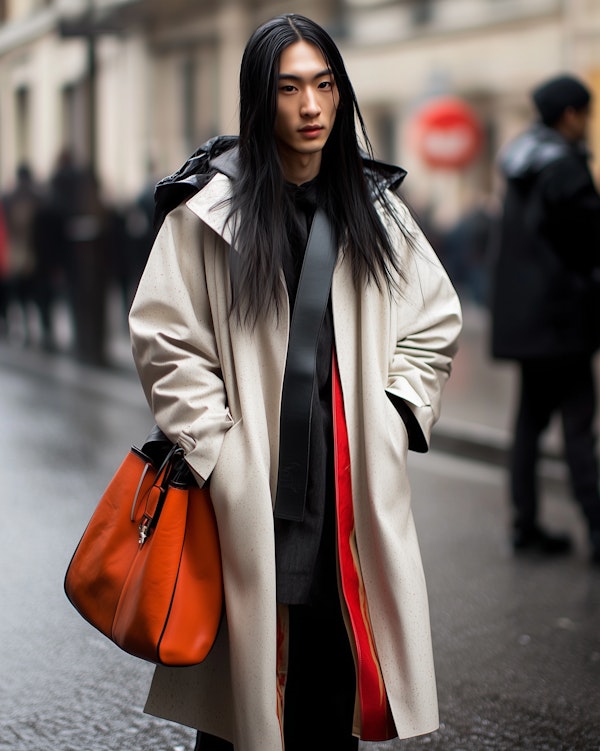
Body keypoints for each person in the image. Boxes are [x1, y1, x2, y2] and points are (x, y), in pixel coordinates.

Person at [129, 14, 462, 751]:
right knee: (241, 706)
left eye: (324, 84)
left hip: (346, 490)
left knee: (331, 687)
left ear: (341, 95)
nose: (310, 106)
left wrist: (393, 412)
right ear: (260, 99)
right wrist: (218, 449)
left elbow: (435, 319)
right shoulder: (208, 213)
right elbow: (164, 339)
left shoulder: (377, 212)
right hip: (249, 492)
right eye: (289, 89)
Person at [490, 73, 600, 563]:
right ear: (570, 115)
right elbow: (589, 243)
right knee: (578, 426)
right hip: (563, 322)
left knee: (529, 427)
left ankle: (525, 525)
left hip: (528, 323)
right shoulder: (564, 169)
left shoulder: (521, 162)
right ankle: (597, 528)